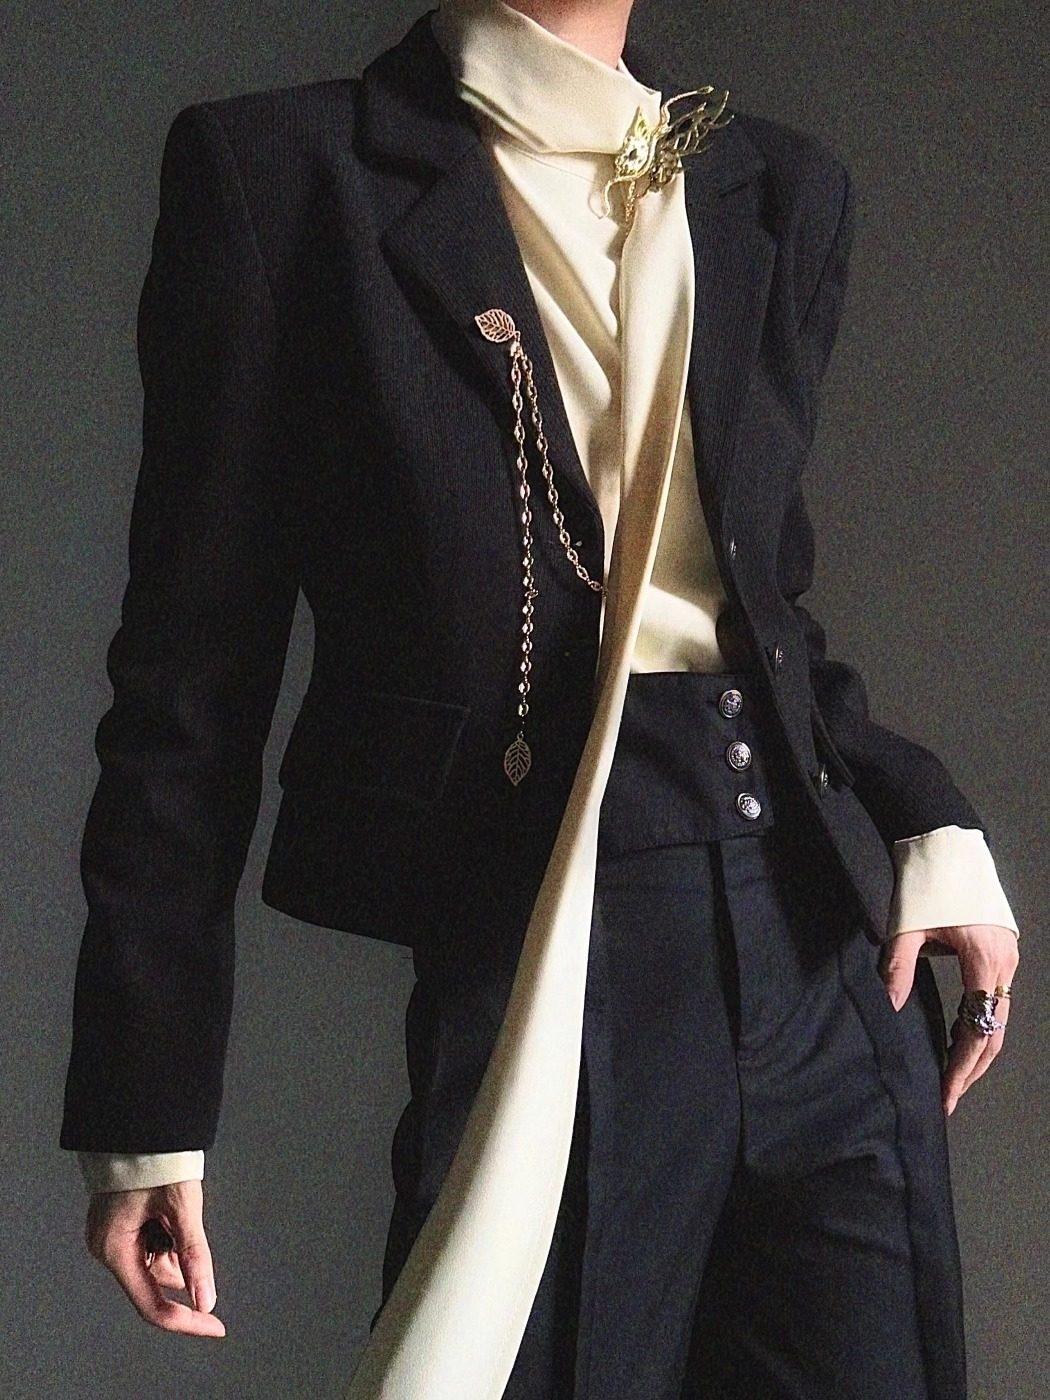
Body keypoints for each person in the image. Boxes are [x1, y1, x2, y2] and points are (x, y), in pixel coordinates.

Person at [62, 1, 1021, 1394]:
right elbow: (189, 673)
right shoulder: (285, 177)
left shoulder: (773, 187)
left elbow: (758, 611)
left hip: (820, 942)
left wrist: (928, 820)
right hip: (552, 923)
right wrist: (146, 1103)